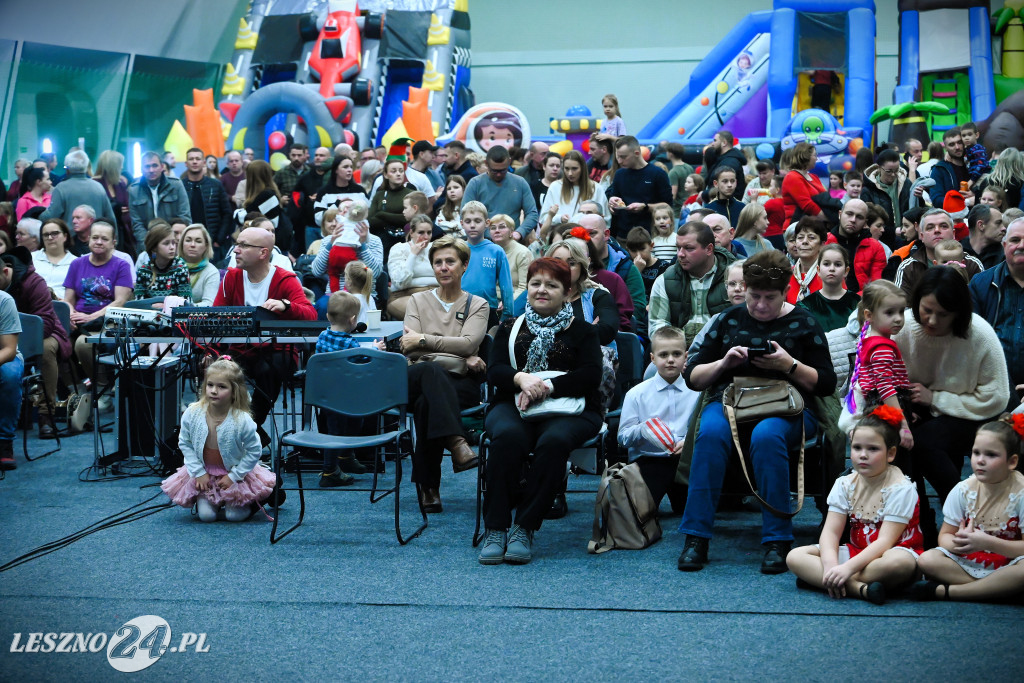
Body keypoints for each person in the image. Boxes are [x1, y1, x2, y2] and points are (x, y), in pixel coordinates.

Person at [677, 249, 836, 574]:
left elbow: (826, 383)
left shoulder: (803, 321)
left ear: (785, 292)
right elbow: (692, 377)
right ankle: (696, 537)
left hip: (789, 404)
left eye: (770, 298)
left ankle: (777, 539)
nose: (761, 305)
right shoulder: (728, 319)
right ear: (744, 289)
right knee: (709, 433)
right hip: (732, 400)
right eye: (754, 296)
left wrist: (788, 364)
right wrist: (724, 363)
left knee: (768, 435)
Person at [479, 258, 604, 565]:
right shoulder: (509, 327)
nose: (541, 290)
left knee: (554, 442)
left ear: (568, 291)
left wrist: (546, 387)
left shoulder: (584, 331)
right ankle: (496, 528)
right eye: (536, 283)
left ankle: (524, 526)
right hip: (512, 402)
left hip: (571, 406)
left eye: (552, 285)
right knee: (507, 438)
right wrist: (520, 378)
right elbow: (494, 371)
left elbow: (590, 376)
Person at [894, 266, 1011, 544]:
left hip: (971, 411)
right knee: (899, 441)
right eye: (926, 310)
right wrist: (901, 407)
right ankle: (919, 523)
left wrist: (937, 400)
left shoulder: (978, 333)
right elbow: (873, 376)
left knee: (923, 442)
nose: (932, 321)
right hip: (914, 404)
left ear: (959, 313)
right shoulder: (904, 327)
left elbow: (996, 397)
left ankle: (963, 513)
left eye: (943, 315)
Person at [786, 407, 923, 605]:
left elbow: (885, 542)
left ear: (891, 453)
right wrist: (831, 565)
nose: (863, 455)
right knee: (795, 556)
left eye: (873, 449)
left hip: (892, 552)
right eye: (857, 448)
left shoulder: (900, 488)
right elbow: (831, 532)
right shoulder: (845, 483)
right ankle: (859, 589)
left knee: (899, 563)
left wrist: (846, 569)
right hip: (857, 552)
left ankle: (825, 581)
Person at [400, 235, 487, 512]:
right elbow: (408, 349)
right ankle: (458, 444)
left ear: (464, 265)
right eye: (438, 262)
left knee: (428, 402)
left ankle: (429, 486)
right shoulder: (416, 300)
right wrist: (461, 359)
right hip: (420, 376)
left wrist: (426, 343)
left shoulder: (478, 304)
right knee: (428, 372)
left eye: (450, 261)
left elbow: (469, 344)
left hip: (460, 386)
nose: (443, 267)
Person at [214, 226, 317, 447]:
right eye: (237, 244)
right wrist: (209, 352)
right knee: (216, 368)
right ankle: (250, 434)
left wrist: (286, 305)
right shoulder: (231, 278)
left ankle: (245, 430)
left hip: (278, 351)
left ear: (263, 253)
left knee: (268, 370)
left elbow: (310, 315)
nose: (235, 250)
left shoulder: (285, 278)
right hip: (240, 350)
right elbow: (214, 319)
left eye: (243, 245)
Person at [911, 415, 1024, 602]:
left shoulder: (1021, 492)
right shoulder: (964, 489)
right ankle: (1001, 589)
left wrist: (988, 543)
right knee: (927, 559)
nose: (980, 460)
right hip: (973, 558)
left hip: (1011, 560)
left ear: (1012, 461)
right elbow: (944, 537)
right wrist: (961, 543)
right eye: (976, 453)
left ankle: (949, 592)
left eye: (991, 455)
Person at [161, 359, 276, 522]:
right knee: (206, 516)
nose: (214, 391)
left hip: (234, 473)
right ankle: (213, 500)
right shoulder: (192, 413)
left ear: (234, 391)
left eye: (222, 387)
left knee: (234, 516)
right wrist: (199, 473)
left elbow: (254, 451)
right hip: (205, 472)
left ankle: (256, 500)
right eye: (210, 385)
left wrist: (234, 476)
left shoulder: (242, 419)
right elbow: (184, 443)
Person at [618, 325, 700, 510]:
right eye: (663, 355)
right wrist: (643, 430)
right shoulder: (636, 394)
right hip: (649, 460)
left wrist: (689, 441)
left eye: (677, 354)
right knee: (640, 513)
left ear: (686, 356)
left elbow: (701, 427)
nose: (670, 360)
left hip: (684, 461)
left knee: (688, 510)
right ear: (652, 358)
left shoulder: (696, 391)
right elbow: (622, 437)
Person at [0, 246, 71, 438]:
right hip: (7, 339)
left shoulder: (34, 282)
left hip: (48, 335)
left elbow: (46, 324)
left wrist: (11, 340)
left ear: (6, 271)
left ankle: (45, 414)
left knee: (45, 349)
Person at [63, 221, 134, 412]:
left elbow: (120, 301)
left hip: (109, 320)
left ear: (114, 242)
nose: (99, 242)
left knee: (81, 344)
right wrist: (70, 314)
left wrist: (90, 317)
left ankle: (103, 388)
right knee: (55, 342)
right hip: (79, 319)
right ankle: (75, 390)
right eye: (95, 237)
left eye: (104, 238)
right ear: (88, 240)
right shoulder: (77, 264)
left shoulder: (121, 265)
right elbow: (68, 299)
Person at [838, 280, 913, 440]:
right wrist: (903, 424)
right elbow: (885, 387)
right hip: (884, 412)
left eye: (901, 311)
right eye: (890, 312)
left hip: (883, 409)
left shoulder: (869, 338)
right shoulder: (881, 348)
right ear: (869, 315)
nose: (898, 318)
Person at [648, 221, 737, 341]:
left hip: (724, 350)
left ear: (709, 249)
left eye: (688, 248)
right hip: (679, 352)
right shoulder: (665, 280)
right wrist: (676, 349)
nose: (680, 254)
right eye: (678, 247)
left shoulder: (736, 277)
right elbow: (657, 327)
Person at [313, 290, 367, 487]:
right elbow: (363, 358)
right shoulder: (350, 342)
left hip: (325, 396)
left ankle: (345, 457)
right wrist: (377, 349)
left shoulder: (322, 336)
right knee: (336, 432)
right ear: (353, 320)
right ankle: (329, 472)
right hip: (344, 397)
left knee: (338, 427)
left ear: (327, 316)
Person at [969, 217, 1024, 410]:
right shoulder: (980, 284)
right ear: (1004, 245)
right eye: (1016, 240)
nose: (1021, 245)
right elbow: (971, 341)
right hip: (991, 386)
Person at [894, 209, 982, 297]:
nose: (937, 230)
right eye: (930, 227)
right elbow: (900, 305)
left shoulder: (973, 264)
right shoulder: (909, 267)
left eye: (943, 226)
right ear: (921, 236)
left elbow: (983, 302)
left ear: (953, 233)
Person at [462, 145, 539, 237]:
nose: (498, 175)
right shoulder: (475, 183)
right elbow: (465, 214)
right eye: (494, 171)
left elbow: (532, 214)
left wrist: (519, 232)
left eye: (503, 170)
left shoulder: (520, 183)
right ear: (486, 163)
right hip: (483, 240)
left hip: (512, 239)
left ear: (509, 162)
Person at [458, 201, 513, 326]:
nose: (472, 225)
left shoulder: (496, 251)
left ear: (487, 223)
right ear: (461, 223)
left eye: (477, 221)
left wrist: (507, 315)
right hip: (459, 308)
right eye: (468, 221)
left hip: (488, 309)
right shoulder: (457, 249)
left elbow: (506, 286)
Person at [607, 136, 672, 239]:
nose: (619, 161)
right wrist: (612, 203)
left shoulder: (657, 174)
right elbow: (614, 198)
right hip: (623, 235)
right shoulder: (619, 174)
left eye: (623, 157)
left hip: (649, 235)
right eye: (617, 157)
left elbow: (667, 206)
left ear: (637, 153)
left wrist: (645, 207)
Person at [129, 151, 191, 249]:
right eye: (147, 166)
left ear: (162, 167)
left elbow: (184, 216)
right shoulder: (134, 190)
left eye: (155, 165)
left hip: (175, 243)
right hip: (147, 245)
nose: (151, 170)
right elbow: (137, 224)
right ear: (141, 169)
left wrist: (172, 242)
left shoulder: (176, 185)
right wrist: (150, 245)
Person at [180, 148, 233, 259]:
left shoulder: (215, 185)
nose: (194, 161)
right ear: (186, 163)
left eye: (198, 159)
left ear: (204, 163)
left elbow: (227, 213)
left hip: (212, 242)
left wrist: (219, 239)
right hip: (187, 242)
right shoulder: (180, 186)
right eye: (191, 159)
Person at [39, 150, 113, 227]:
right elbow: (110, 217)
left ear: (67, 169)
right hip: (95, 236)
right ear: (86, 167)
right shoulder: (99, 187)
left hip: (70, 237)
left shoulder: (61, 188)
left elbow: (51, 216)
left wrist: (36, 213)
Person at [797, 243, 859, 333]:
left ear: (846, 271)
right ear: (818, 270)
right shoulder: (806, 305)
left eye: (837, 264)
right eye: (826, 264)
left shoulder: (857, 303)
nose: (832, 269)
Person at [387, 214, 437, 319]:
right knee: (424, 310)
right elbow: (399, 282)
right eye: (421, 232)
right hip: (405, 295)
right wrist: (413, 255)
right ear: (412, 233)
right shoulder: (399, 249)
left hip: (436, 293)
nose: (426, 237)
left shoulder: (436, 248)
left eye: (429, 232)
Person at [133, 222, 192, 302]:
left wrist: (163, 305)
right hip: (150, 313)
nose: (172, 247)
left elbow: (185, 302)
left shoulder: (180, 268)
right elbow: (139, 303)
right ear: (154, 248)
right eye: (166, 243)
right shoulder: (144, 270)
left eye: (173, 243)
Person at [369, 157, 416, 255]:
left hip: (406, 241)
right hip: (383, 242)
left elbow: (410, 219)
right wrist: (396, 219)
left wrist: (382, 214)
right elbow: (371, 221)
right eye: (393, 171)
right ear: (386, 175)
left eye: (401, 171)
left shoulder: (411, 194)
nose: (398, 174)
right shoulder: (380, 194)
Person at [92, 150, 135, 257]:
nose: (121, 168)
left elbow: (127, 206)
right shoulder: (95, 184)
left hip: (121, 231)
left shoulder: (120, 184)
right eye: (120, 165)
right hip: (103, 231)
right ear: (112, 167)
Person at [313, 154, 369, 232]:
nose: (349, 170)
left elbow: (367, 213)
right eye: (345, 167)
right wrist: (337, 206)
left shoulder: (360, 191)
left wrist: (353, 208)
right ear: (336, 170)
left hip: (356, 234)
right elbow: (318, 219)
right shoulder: (324, 192)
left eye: (351, 167)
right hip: (333, 235)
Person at [781, 142, 833, 226]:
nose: (816, 159)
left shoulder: (814, 177)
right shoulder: (792, 177)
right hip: (797, 227)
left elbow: (826, 200)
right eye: (815, 155)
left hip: (815, 225)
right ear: (805, 156)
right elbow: (807, 205)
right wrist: (831, 219)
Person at [0, 289, 23, 469]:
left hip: (4, 356)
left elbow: (9, 349)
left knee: (9, 375)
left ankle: (4, 442)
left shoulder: (3, 300)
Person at [490, 213, 532, 300]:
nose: (497, 230)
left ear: (511, 232)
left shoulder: (523, 253)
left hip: (515, 299)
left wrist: (508, 302)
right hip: (490, 300)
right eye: (493, 228)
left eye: (502, 227)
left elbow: (525, 287)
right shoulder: (488, 252)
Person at [928, 127, 972, 208]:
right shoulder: (939, 169)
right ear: (945, 148)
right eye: (952, 144)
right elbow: (937, 200)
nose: (957, 147)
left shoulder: (974, 164)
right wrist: (966, 201)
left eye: (959, 142)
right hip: (952, 217)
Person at [31, 218, 75, 297]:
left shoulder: (75, 262)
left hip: (63, 306)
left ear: (65, 236)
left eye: (55, 233)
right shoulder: (31, 258)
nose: (50, 238)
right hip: (34, 303)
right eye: (46, 235)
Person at [178, 223, 220, 306]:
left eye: (198, 241)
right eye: (188, 240)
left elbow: (209, 304)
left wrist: (183, 307)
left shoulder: (211, 272)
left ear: (206, 246)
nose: (192, 245)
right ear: (182, 243)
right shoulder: (171, 266)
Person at [626, 227, 673, 298]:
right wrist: (636, 271)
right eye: (633, 251)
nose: (638, 255)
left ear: (651, 246)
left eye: (642, 249)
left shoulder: (663, 266)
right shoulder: (627, 267)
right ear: (628, 250)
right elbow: (626, 293)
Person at [701, 130, 748, 200]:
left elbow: (724, 188)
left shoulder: (729, 163)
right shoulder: (723, 160)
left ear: (724, 143)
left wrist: (705, 194)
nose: (713, 144)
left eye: (715, 140)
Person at [960, 203, 1005, 269]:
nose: (1004, 228)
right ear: (981, 225)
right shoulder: (957, 253)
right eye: (998, 223)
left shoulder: (1004, 258)